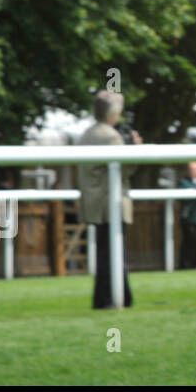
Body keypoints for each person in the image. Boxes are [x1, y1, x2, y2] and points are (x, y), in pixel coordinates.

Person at [77, 90, 135, 308]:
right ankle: (110, 299)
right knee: (112, 253)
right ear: (113, 113)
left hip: (95, 202)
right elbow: (126, 168)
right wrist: (134, 148)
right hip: (110, 202)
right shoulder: (111, 136)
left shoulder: (87, 133)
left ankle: (116, 298)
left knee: (106, 253)